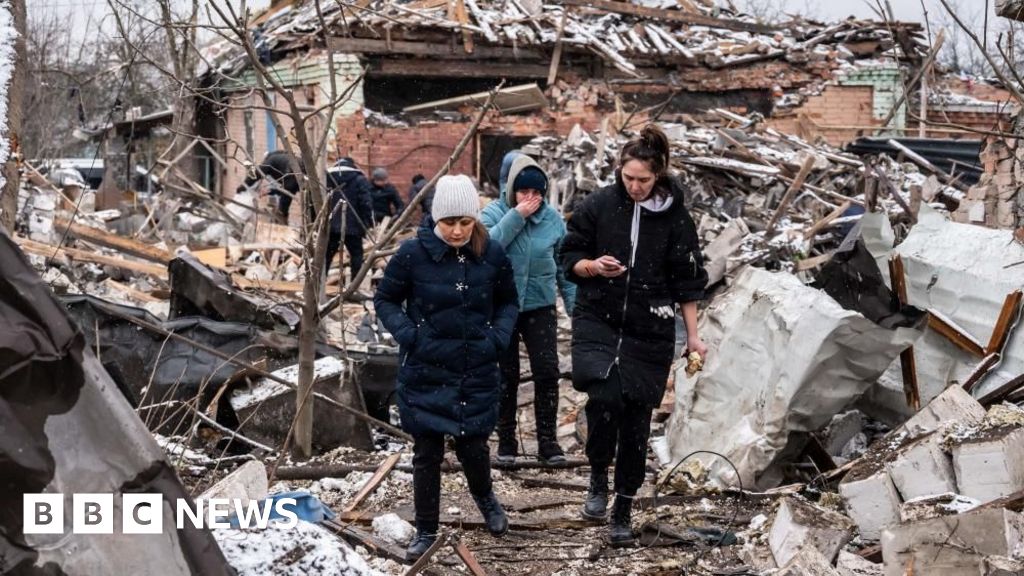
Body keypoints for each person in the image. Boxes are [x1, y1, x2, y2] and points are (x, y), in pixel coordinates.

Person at [559, 124, 708, 547]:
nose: (635, 186)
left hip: (650, 327)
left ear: (658, 174)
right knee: (604, 400)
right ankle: (597, 477)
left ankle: (623, 506)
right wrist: (592, 267)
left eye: (643, 179)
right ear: (619, 172)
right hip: (598, 318)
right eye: (628, 178)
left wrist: (693, 337)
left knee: (638, 418)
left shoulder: (677, 219)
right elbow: (569, 254)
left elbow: (687, 282)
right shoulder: (600, 205)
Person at [373, 174, 519, 560]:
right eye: (449, 222)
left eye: (465, 222)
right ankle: (426, 529)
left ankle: (486, 500)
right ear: (436, 218)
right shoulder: (412, 254)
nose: (457, 231)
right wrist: (410, 335)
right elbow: (385, 299)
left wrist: (497, 338)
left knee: (474, 446)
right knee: (427, 453)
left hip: (476, 367)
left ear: (475, 220)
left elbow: (508, 302)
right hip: (426, 368)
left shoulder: (492, 253)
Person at [481, 151, 576, 466]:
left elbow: (565, 268)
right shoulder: (493, 214)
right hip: (501, 306)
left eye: (537, 192)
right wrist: (516, 216)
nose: (531, 198)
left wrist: (575, 309)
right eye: (524, 191)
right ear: (511, 189)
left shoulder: (553, 220)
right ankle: (507, 442)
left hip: (540, 305)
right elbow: (485, 249)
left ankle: (548, 442)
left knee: (547, 371)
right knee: (505, 375)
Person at [324, 157, 373, 279]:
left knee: (327, 255)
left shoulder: (326, 179)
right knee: (356, 255)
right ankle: (354, 284)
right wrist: (367, 223)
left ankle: (320, 284)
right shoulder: (359, 179)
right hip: (353, 226)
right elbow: (366, 203)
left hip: (331, 225)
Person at [240, 150, 305, 224]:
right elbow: (286, 190)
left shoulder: (270, 160)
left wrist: (243, 187)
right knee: (307, 202)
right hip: (301, 175)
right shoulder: (282, 160)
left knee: (282, 207)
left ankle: (281, 224)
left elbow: (256, 174)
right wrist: (270, 191)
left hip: (294, 173)